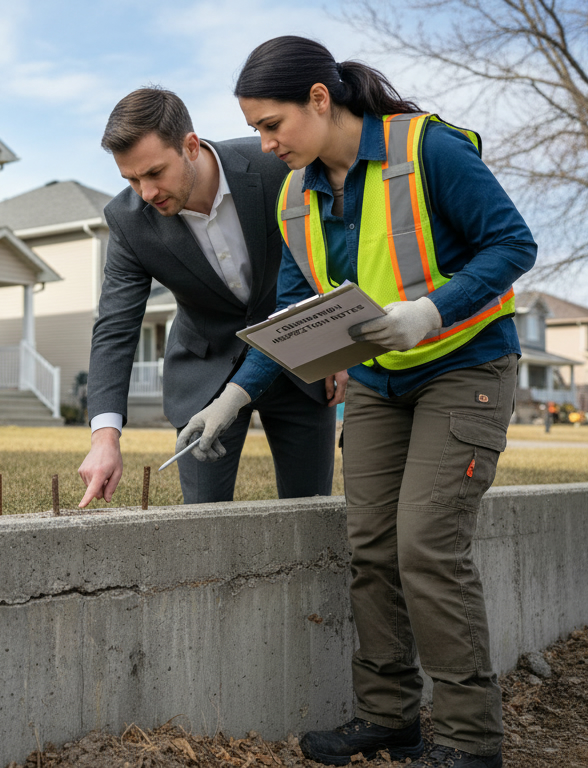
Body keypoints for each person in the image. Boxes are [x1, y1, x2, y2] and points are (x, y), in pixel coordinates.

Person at [225, 37, 537, 767]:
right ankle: (390, 717)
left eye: (273, 125)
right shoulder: (294, 199)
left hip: (466, 366)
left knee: (427, 547)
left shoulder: (428, 149)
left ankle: (468, 741)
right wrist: (236, 395)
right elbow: (294, 318)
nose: (266, 145)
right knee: (370, 550)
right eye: (259, 131)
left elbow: (512, 244)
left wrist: (430, 311)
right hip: (375, 383)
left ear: (321, 99)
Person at [77, 87, 341, 508]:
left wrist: (332, 350)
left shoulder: (276, 167)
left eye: (155, 172)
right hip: (206, 375)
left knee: (313, 513)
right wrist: (105, 436)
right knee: (202, 524)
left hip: (299, 365)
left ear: (191, 145)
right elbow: (115, 326)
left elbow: (326, 255)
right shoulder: (127, 221)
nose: (145, 192)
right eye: (131, 179)